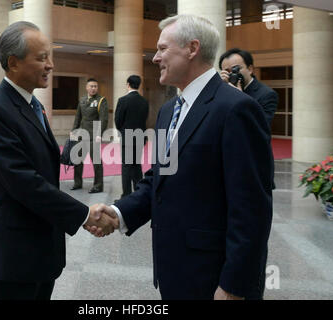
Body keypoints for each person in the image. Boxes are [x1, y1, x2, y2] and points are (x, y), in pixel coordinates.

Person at [88, 15, 273, 300]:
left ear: (192, 48)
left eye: (163, 49)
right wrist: (120, 212)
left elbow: (252, 209)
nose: (155, 58)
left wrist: (234, 286)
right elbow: (158, 180)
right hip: (174, 270)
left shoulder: (237, 109)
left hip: (214, 278)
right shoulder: (169, 110)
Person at [0, 21, 115, 300]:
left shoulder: (32, 105)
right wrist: (85, 215)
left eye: (50, 56)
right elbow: (24, 182)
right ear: (13, 63)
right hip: (12, 256)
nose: (50, 64)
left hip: (41, 251)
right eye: (42, 58)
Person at [219, 48, 278, 129]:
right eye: (227, 71)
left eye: (236, 69)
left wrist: (239, 97)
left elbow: (261, 127)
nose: (232, 74)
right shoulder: (222, 91)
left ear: (250, 69)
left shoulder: (267, 94)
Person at [70, 78, 109, 193]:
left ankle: (98, 185)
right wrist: (73, 130)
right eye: (91, 86)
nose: (93, 88)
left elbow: (104, 119)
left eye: (95, 86)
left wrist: (99, 134)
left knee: (96, 162)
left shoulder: (101, 100)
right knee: (77, 160)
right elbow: (78, 117)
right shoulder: (82, 100)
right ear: (87, 87)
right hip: (82, 134)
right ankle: (77, 183)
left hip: (93, 135)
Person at [114, 75, 149, 199]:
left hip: (127, 136)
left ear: (128, 84)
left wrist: (123, 130)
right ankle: (139, 192)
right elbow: (144, 119)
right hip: (140, 136)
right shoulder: (144, 101)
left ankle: (126, 194)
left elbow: (117, 121)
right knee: (136, 165)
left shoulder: (123, 100)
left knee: (127, 166)